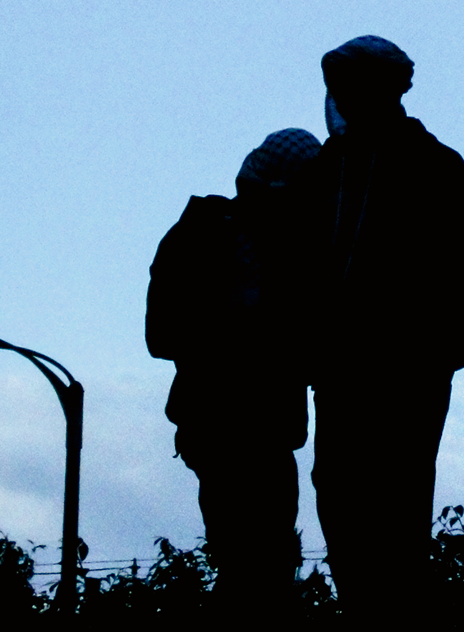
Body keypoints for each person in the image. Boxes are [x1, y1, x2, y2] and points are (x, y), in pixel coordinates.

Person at [309, 36, 464, 618]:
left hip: (404, 381)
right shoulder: (328, 168)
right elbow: (299, 269)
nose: (342, 96)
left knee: (394, 518)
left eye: (352, 83)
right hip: (340, 377)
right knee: (340, 506)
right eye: (338, 84)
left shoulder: (433, 165)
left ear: (387, 89)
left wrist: (434, 356)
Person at [146, 126, 323, 610]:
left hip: (256, 427)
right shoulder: (203, 237)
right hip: (225, 425)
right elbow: (161, 335)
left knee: (260, 559)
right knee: (252, 559)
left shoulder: (291, 249)